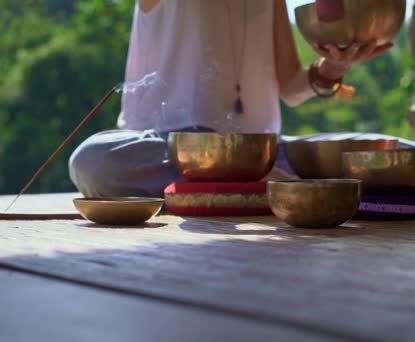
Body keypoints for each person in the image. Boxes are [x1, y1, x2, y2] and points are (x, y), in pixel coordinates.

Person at [69, 0, 398, 198]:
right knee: (93, 163)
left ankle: (256, 186)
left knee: (397, 153)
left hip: (265, 154)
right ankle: (274, 188)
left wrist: (334, 66)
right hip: (171, 154)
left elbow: (291, 87)